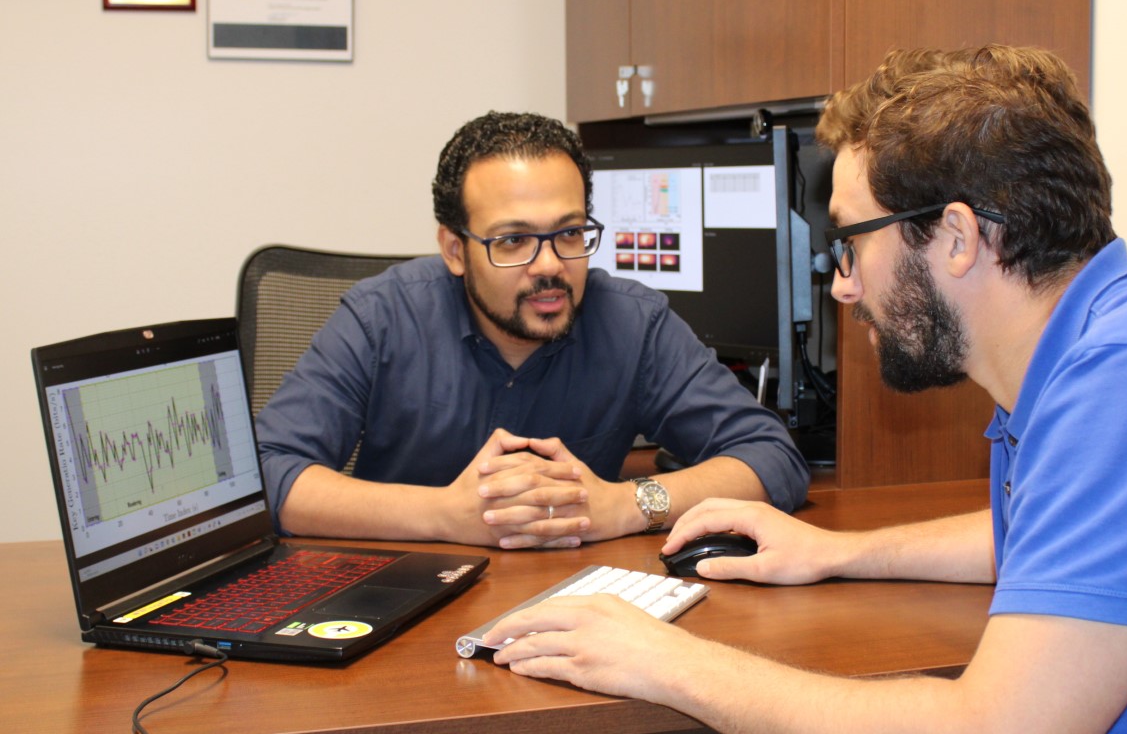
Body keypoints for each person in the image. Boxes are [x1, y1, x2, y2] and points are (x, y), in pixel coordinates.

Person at [484, 47, 1127, 734]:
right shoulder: (1109, 352)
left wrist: (666, 662)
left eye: (852, 241)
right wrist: (836, 553)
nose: (843, 283)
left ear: (959, 237)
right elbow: (1055, 542)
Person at [255, 111, 809, 550]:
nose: (549, 265)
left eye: (569, 233)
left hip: (579, 604)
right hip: (402, 599)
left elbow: (769, 456)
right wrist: (445, 516)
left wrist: (627, 504)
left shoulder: (632, 323)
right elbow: (271, 474)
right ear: (455, 249)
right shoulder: (380, 318)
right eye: (513, 240)